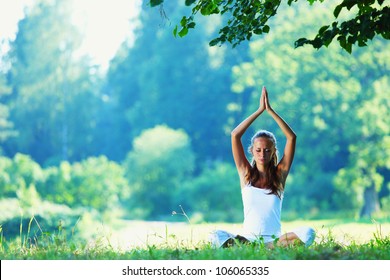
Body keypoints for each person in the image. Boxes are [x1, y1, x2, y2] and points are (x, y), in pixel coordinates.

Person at [209, 86, 315, 248]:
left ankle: (266, 248)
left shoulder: (280, 175)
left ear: (273, 152)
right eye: (258, 150)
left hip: (274, 240)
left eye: (267, 150)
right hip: (247, 239)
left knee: (308, 232)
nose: (262, 154)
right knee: (216, 235)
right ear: (252, 151)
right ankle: (257, 248)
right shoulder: (245, 174)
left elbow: (291, 137)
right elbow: (235, 135)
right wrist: (259, 110)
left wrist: (271, 111)